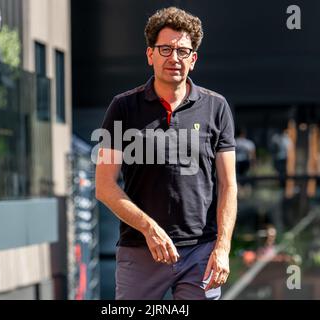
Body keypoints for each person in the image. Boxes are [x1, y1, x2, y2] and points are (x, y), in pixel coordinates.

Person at [95, 7, 237, 300]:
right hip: (140, 250)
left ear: (193, 60)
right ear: (150, 55)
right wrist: (150, 229)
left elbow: (228, 184)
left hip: (201, 253)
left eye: (183, 51)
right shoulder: (123, 107)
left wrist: (222, 248)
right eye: (166, 49)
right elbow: (105, 186)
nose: (174, 58)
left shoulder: (216, 107)